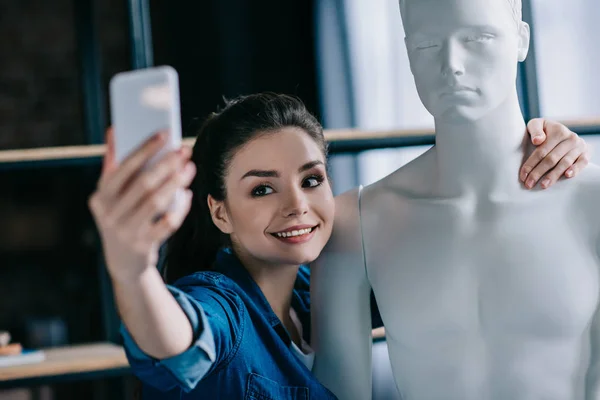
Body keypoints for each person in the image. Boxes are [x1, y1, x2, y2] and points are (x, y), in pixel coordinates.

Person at [89, 92, 588, 399]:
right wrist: (133, 269)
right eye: (262, 189)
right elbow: (176, 336)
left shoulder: (323, 281)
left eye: (311, 180)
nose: (297, 205)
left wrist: (537, 152)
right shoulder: (222, 304)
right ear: (219, 210)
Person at [310, 1, 599, 399]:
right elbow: (339, 392)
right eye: (427, 46)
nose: (452, 65)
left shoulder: (590, 202)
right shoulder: (355, 224)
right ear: (408, 52)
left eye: (477, 37)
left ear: (521, 39)